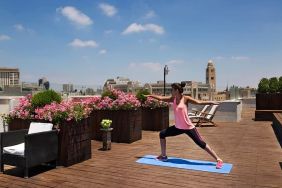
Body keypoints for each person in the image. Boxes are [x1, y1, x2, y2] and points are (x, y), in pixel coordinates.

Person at [145, 82, 223, 169]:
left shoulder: (186, 98)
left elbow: (199, 102)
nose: (171, 91)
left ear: (177, 91)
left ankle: (218, 159)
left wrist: (210, 102)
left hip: (188, 127)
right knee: (162, 134)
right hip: (178, 127)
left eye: (172, 90)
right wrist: (150, 95)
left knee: (201, 143)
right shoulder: (173, 99)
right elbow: (161, 98)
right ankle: (164, 156)